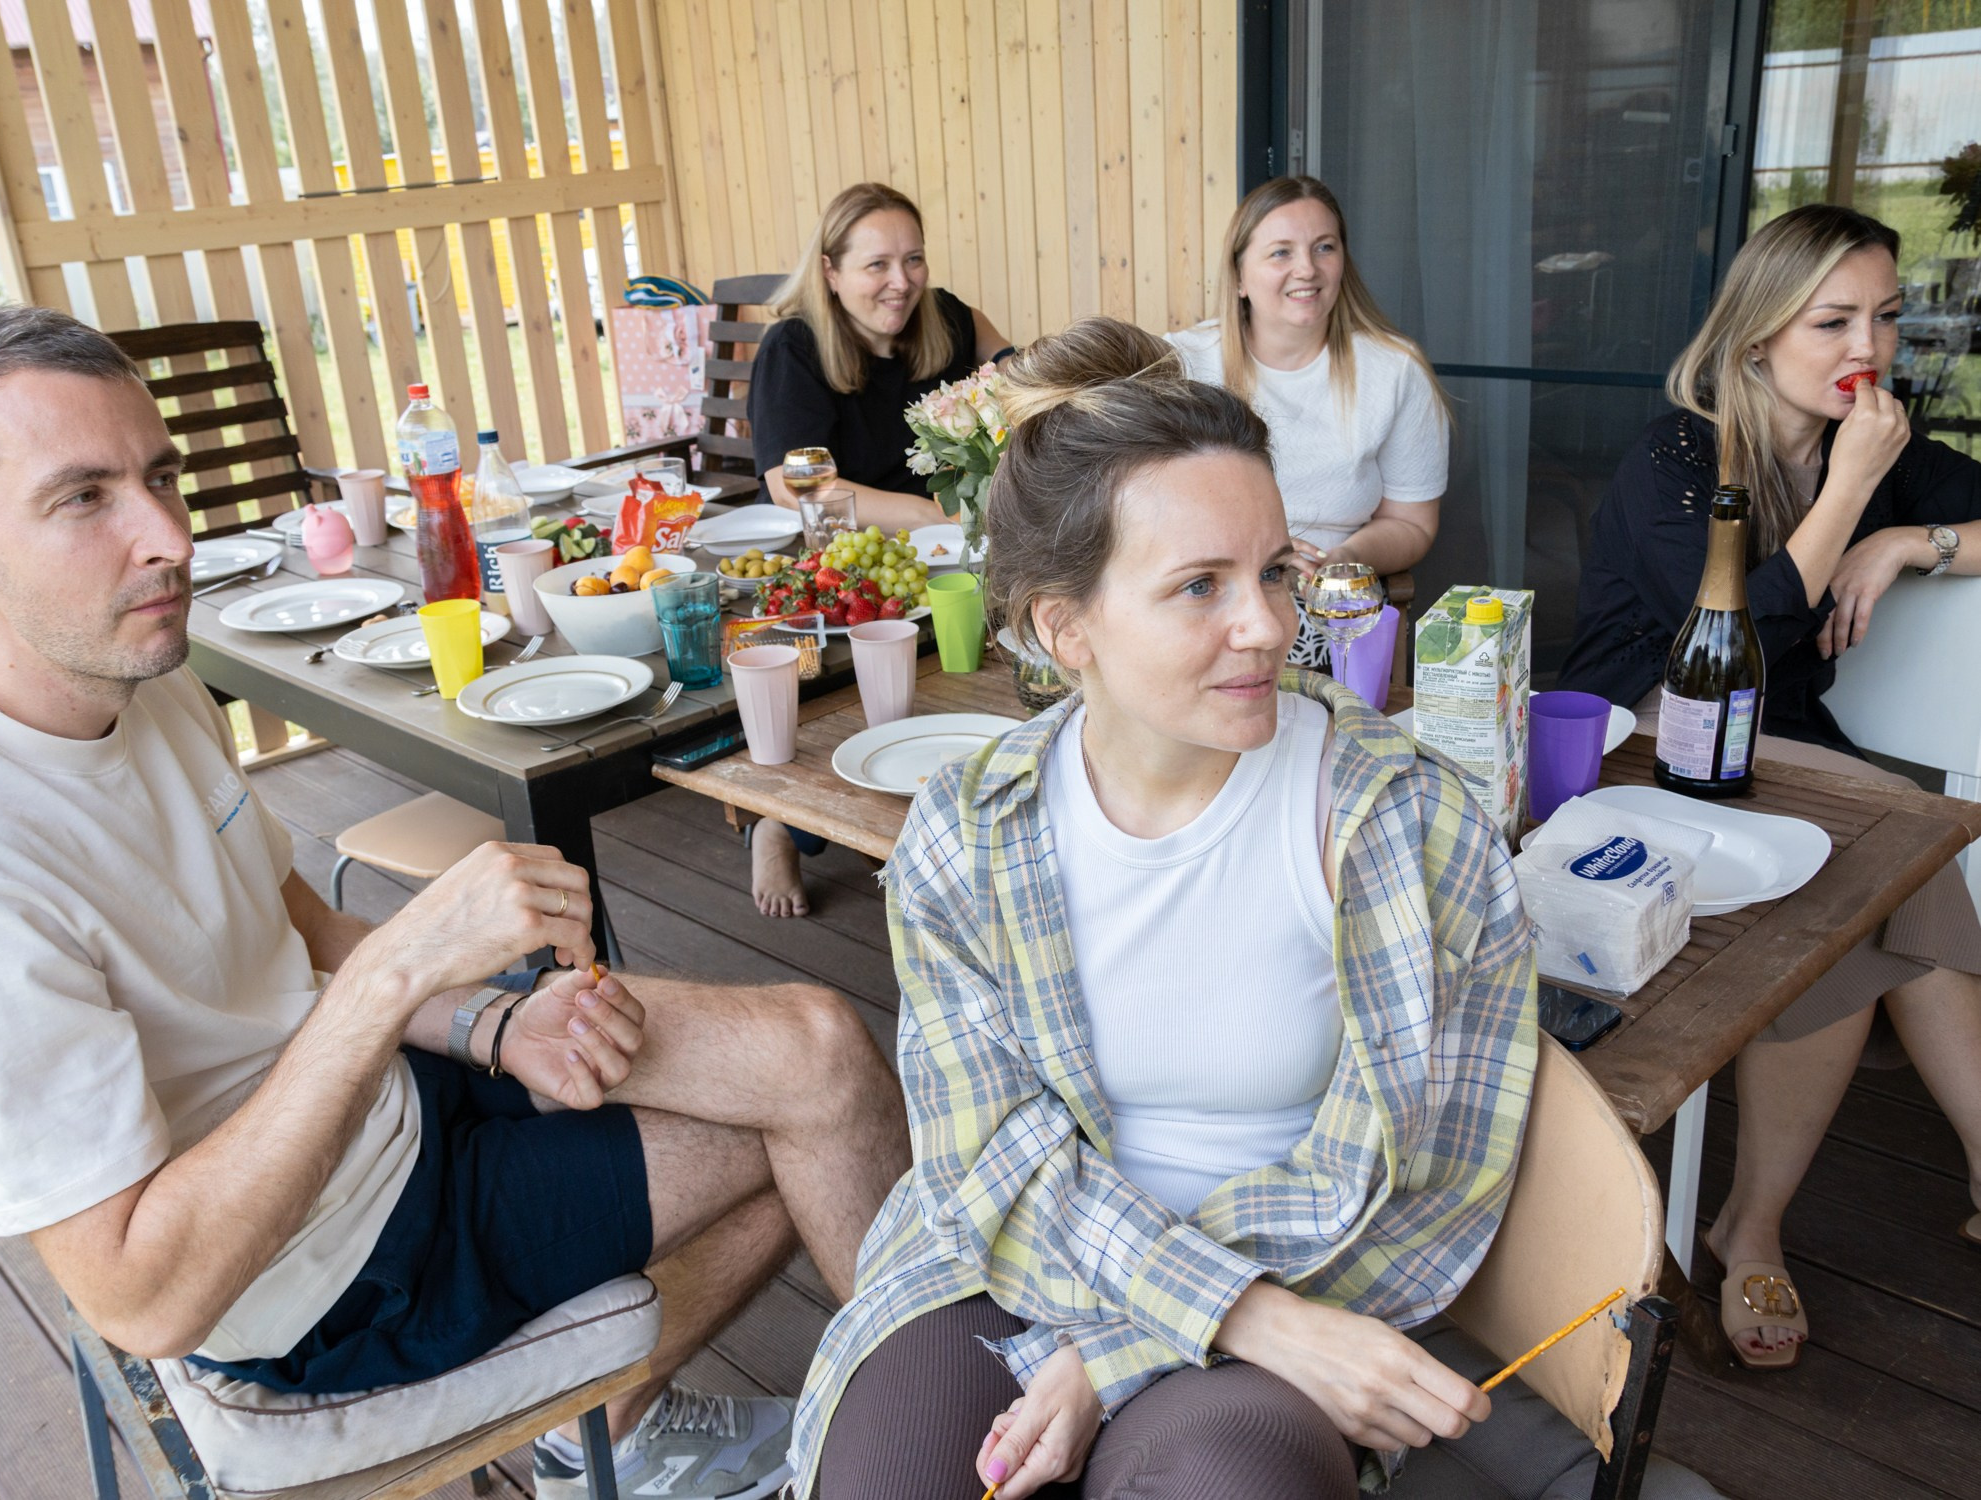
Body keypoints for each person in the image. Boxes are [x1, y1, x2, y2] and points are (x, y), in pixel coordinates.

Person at [0, 306, 911, 1500]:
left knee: (821, 1049)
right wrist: (399, 975)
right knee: (799, 1122)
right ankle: (888, 1453)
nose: (166, 535)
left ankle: (867, 1436)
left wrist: (490, 1023)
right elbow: (147, 1294)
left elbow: (299, 928)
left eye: (161, 477)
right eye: (83, 499)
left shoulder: (133, 677)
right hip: (318, 1277)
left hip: (395, 1099)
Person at [795, 315, 1548, 1500]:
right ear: (1064, 627)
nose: (1266, 626)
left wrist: (1154, 1345)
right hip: (1006, 1264)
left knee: (1219, 1483)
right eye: (1199, 585)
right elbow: (989, 1164)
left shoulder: (1404, 824)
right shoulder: (968, 832)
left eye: (1275, 571)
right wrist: (1215, 1312)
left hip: (1312, 1277)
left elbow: (1431, 1182)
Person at [1559, 203, 1981, 1370]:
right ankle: (1750, 1230)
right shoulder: (1682, 455)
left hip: (1779, 748)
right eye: (1834, 319)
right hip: (1641, 737)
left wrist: (1913, 544)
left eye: (1887, 318)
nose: (1870, 347)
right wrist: (1851, 498)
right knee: (1887, 874)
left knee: (1903, 870)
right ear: (1756, 340)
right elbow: (1729, 625)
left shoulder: (1885, 446)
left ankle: (1759, 1219)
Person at [742, 183, 1014, 920]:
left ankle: (938, 826)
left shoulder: (948, 319)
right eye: (877, 265)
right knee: (840, 674)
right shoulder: (795, 348)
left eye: (914, 259)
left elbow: (1025, 375)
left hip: (949, 552)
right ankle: (780, 820)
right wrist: (931, 512)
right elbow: (790, 487)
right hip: (847, 556)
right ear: (830, 270)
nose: (902, 282)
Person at [1167, 175, 1450, 667]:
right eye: (1280, 252)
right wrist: (1258, 555)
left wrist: (1344, 560)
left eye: (1324, 247)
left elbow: (1412, 523)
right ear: (1238, 276)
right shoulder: (1183, 366)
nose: (1307, 269)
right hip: (1202, 606)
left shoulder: (1394, 371)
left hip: (1333, 617)